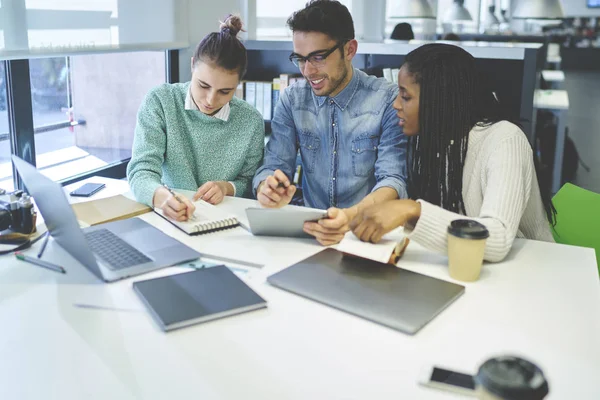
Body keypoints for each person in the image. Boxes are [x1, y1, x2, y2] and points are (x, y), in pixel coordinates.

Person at [350, 43, 556, 262]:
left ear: (438, 99)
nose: (396, 105)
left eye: (406, 97)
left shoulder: (505, 140)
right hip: (470, 269)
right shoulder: (434, 144)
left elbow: (496, 240)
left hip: (530, 272)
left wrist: (412, 210)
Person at [253, 0, 407, 246]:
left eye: (318, 57)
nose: (307, 71)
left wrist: (349, 217)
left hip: (365, 234)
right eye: (300, 59)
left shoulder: (387, 100)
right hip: (309, 234)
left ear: (349, 50)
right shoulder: (292, 99)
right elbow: (273, 165)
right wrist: (267, 187)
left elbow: (393, 181)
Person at [127, 15, 265, 222]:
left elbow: (250, 181)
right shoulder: (161, 101)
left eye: (225, 91)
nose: (210, 100)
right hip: (169, 218)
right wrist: (163, 198)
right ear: (192, 65)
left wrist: (226, 187)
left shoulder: (250, 120)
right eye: (203, 85)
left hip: (226, 221)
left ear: (239, 84)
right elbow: (142, 170)